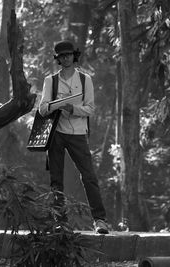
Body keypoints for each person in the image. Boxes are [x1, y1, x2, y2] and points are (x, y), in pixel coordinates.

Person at [39, 40, 109, 234]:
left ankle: (100, 220)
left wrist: (72, 108)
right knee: (56, 179)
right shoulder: (50, 81)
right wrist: (58, 105)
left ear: (74, 56)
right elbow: (42, 109)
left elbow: (90, 109)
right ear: (58, 59)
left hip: (78, 134)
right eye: (62, 55)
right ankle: (59, 222)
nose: (66, 58)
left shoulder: (86, 80)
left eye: (69, 54)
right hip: (56, 134)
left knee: (89, 176)